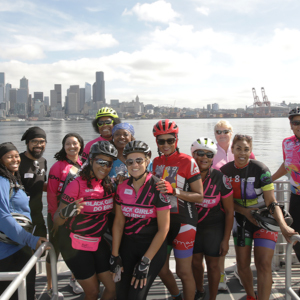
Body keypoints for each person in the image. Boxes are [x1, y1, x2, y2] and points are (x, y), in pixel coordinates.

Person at [220, 134, 296, 300]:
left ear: (251, 151)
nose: (242, 152)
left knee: (263, 264)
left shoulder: (261, 169)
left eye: (246, 149)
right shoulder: (224, 172)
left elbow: (271, 202)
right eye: (238, 148)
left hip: (264, 221)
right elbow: (225, 202)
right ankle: (250, 296)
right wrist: (245, 212)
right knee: (242, 266)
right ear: (232, 149)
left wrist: (283, 226)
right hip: (241, 221)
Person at [54, 141, 117, 300]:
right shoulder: (76, 184)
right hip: (74, 244)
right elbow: (56, 220)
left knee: (112, 288)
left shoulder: (109, 185)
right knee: (93, 292)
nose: (105, 167)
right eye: (101, 162)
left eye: (109, 164)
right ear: (91, 160)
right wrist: (67, 212)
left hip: (96, 241)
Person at [111, 141, 170, 300]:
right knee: (121, 295)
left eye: (139, 160)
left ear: (147, 161)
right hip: (128, 245)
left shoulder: (159, 187)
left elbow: (163, 229)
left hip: (152, 247)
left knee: (136, 296)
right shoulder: (122, 187)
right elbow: (118, 222)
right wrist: (115, 254)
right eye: (130, 162)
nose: (134, 165)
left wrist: (145, 261)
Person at [152, 119, 203, 300]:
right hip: (162, 223)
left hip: (184, 222)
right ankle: (177, 296)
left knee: (183, 272)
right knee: (161, 269)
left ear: (176, 140)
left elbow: (199, 196)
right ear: (156, 141)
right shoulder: (155, 162)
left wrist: (175, 191)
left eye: (170, 140)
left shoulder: (188, 161)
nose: (165, 145)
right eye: (161, 141)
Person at [0, 142, 48, 300]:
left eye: (16, 156)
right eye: (9, 157)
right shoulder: (2, 181)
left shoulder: (12, 178)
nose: (15, 159)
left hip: (19, 247)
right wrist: (31, 240)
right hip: (8, 252)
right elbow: (3, 217)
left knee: (26, 292)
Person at [212, 119, 255, 290]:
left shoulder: (242, 149)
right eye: (218, 131)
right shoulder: (211, 151)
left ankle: (240, 270)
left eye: (225, 131)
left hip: (242, 205)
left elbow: (256, 171)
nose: (222, 134)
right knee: (222, 243)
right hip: (220, 205)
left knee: (241, 244)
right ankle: (221, 277)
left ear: (231, 132)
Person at [191, 137, 234, 300]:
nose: (204, 158)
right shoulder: (185, 177)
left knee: (213, 265)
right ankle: (200, 291)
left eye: (209, 155)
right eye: (199, 153)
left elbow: (230, 212)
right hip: (193, 228)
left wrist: (225, 240)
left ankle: (212, 297)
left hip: (214, 227)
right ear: (193, 155)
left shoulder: (221, 178)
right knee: (195, 263)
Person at [46, 133, 84, 297]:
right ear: (63, 146)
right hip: (58, 216)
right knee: (55, 250)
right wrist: (56, 218)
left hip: (76, 216)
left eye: (75, 144)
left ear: (80, 146)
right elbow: (51, 194)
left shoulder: (83, 164)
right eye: (68, 144)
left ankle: (74, 279)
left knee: (76, 249)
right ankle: (50, 286)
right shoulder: (57, 167)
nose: (72, 147)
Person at [272, 107, 300, 294]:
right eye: (296, 122)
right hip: (296, 196)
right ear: (291, 125)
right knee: (296, 237)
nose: (299, 125)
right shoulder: (287, 143)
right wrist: (268, 180)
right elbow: (286, 165)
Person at [19, 126, 47, 239]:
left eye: (42, 142)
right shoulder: (18, 161)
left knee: (42, 248)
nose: (38, 145)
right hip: (21, 216)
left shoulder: (43, 161)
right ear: (27, 143)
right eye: (34, 141)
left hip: (37, 214)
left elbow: (41, 184)